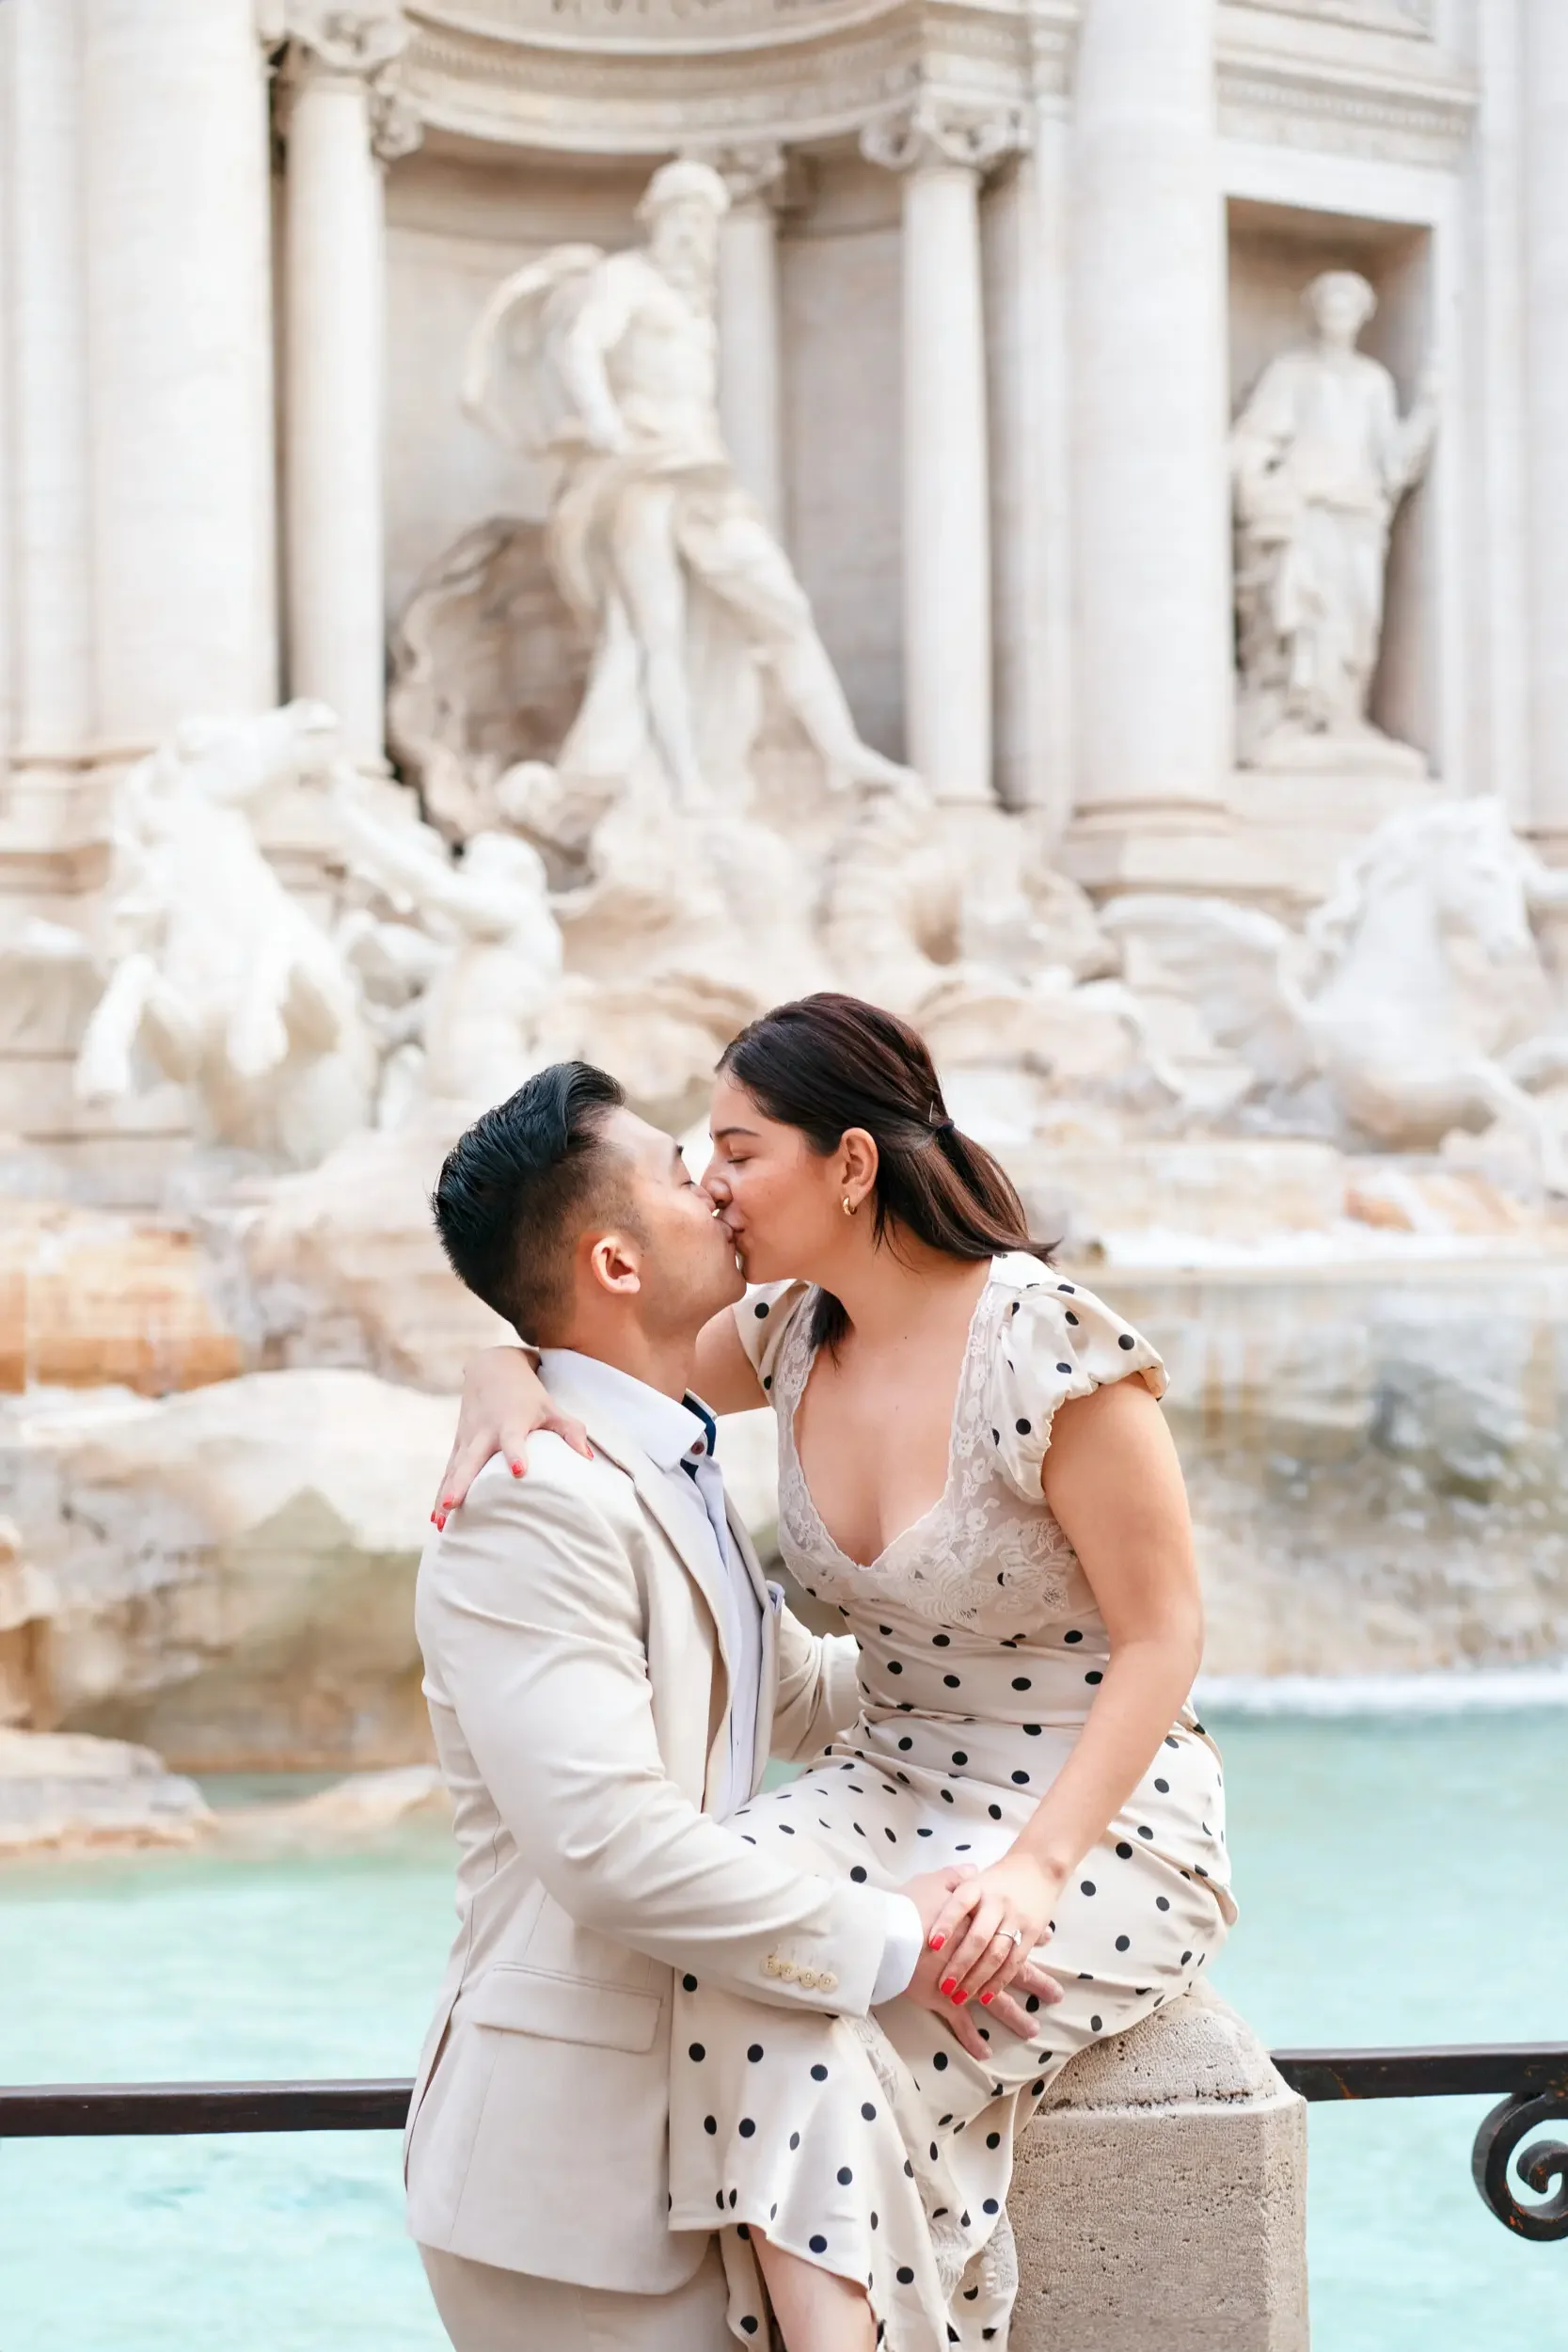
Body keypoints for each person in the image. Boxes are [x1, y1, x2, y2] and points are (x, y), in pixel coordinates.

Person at [434, 993, 1237, 2352]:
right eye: (700, 1161)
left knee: (815, 2020)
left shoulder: (1049, 1346)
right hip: (887, 1778)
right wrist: (495, 1374)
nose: (714, 1184)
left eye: (738, 1152)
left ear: (848, 1164)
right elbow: (584, 1328)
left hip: (1085, 1805)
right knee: (746, 1963)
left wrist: (1035, 1871)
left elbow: (1164, 1634)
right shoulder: (786, 1333)